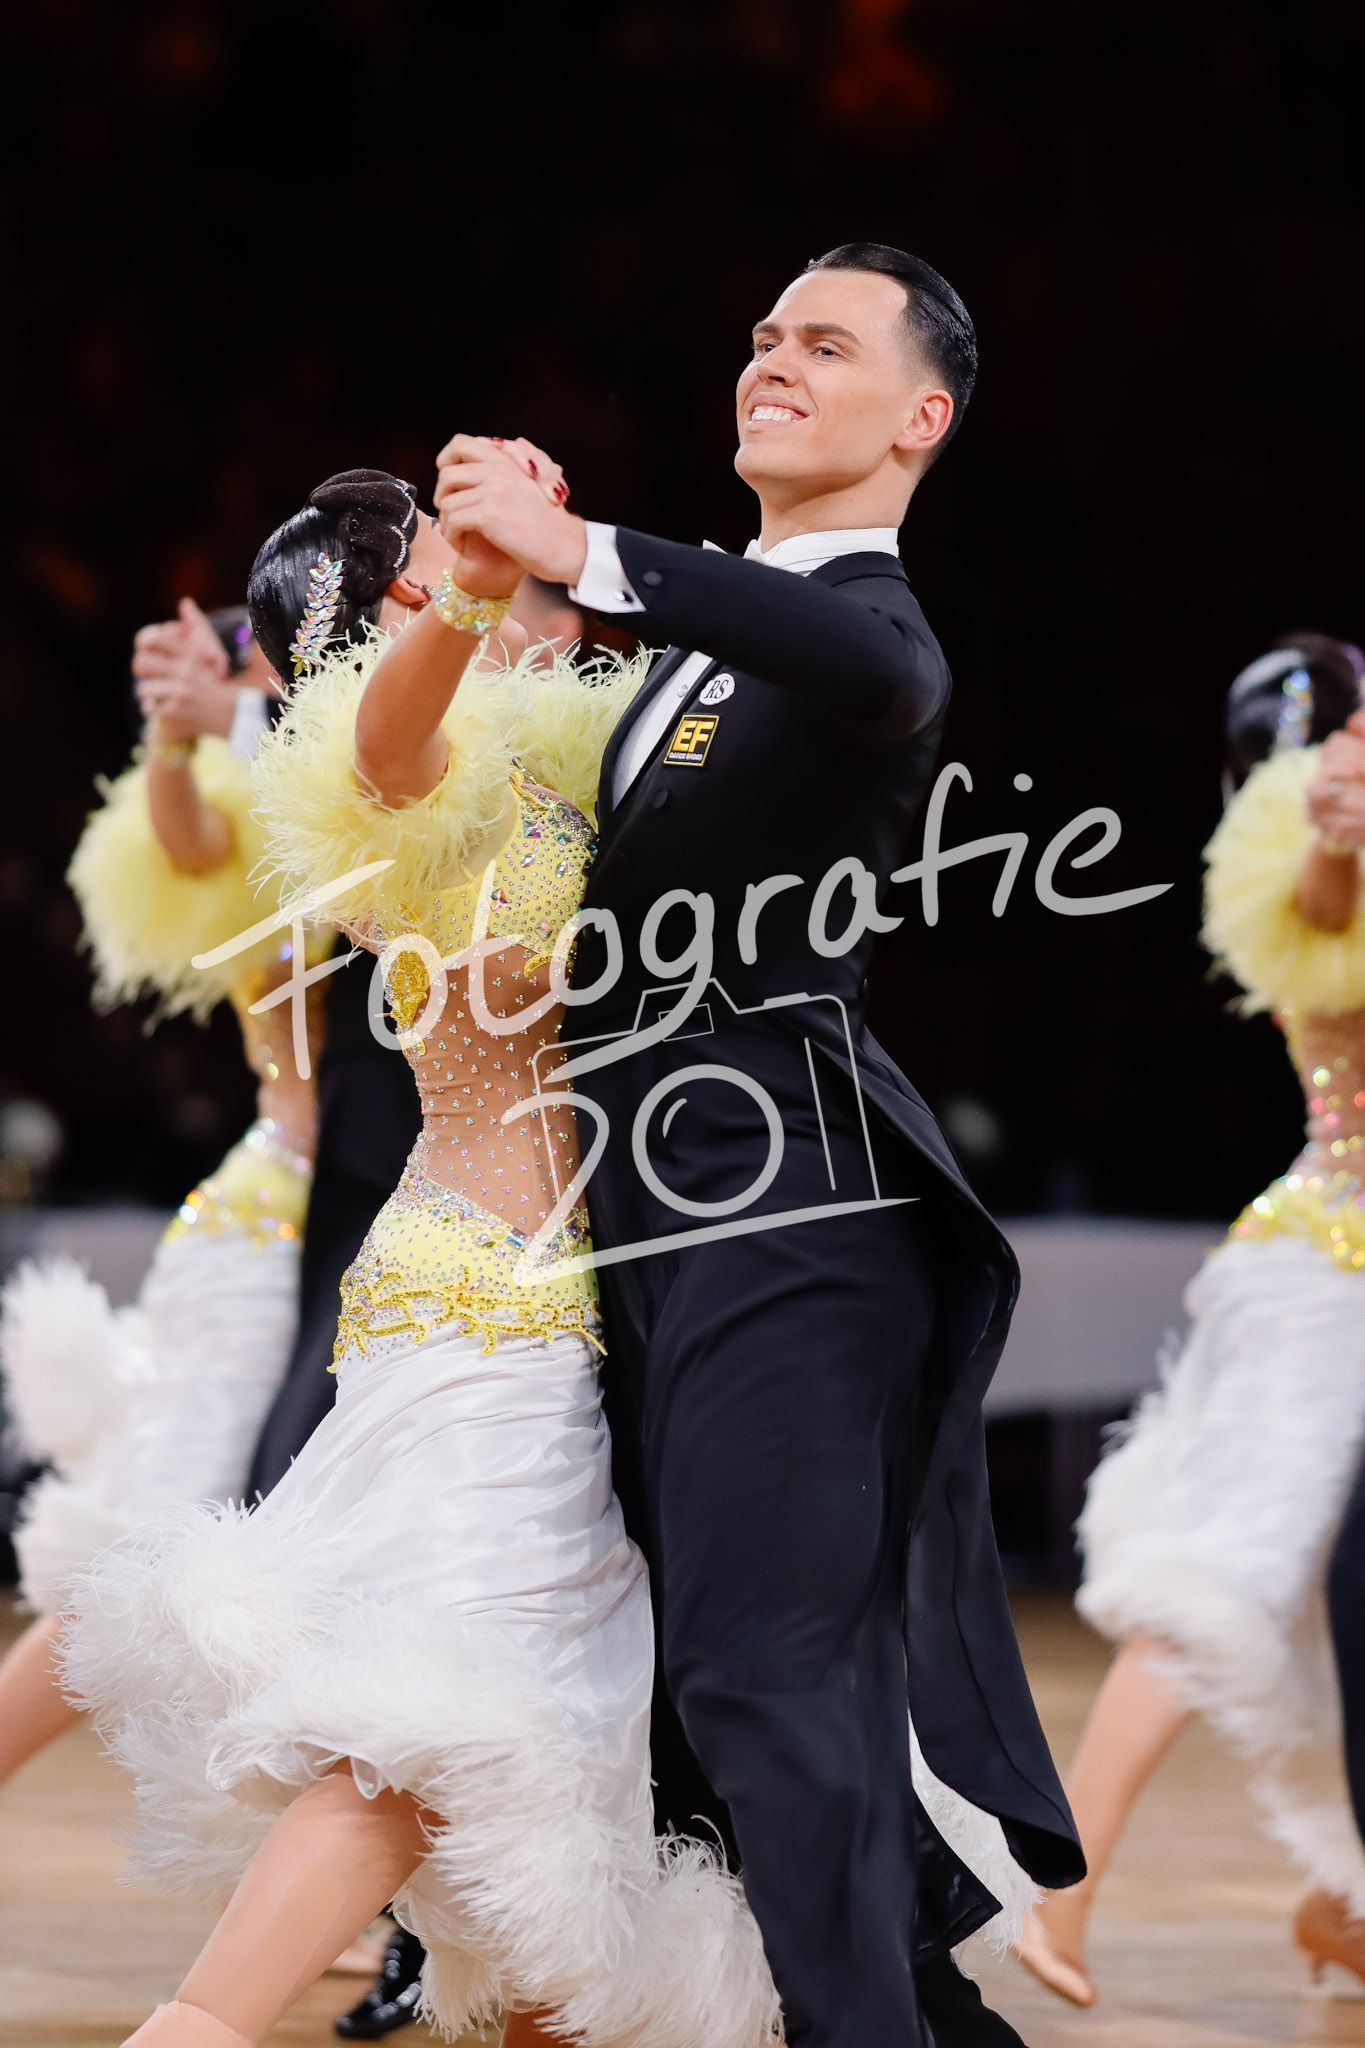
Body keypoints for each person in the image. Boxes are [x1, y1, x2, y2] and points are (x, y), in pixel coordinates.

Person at [428, 241, 1084, 2048]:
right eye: (762, 336)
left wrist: (587, 548)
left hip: (791, 1212)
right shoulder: (684, 655)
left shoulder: (866, 631)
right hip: (643, 1228)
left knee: (760, 1677)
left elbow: (864, 662)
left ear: (921, 416)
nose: (771, 359)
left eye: (826, 344)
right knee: (708, 1702)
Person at [61, 467, 778, 2048]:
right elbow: (386, 737)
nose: (506, 565)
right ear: (410, 595)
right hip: (483, 1309)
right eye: (458, 559)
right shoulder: (393, 768)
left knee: (553, 1759)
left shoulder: (519, 756)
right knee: (429, 1735)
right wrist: (469, 592)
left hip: (527, 1301)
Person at [1016, 636, 1365, 2006]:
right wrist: (1334, 833)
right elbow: (1329, 898)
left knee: (1319, 1613)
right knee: (1215, 1581)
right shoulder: (1308, 853)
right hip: (1326, 1276)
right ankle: (1063, 1895)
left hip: (1318, 1260)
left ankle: (1344, 1903)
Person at [0, 602, 323, 1792]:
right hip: (270, 1229)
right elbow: (185, 838)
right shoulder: (277, 806)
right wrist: (180, 735)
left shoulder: (375, 785)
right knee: (144, 1557)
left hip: (346, 1227)